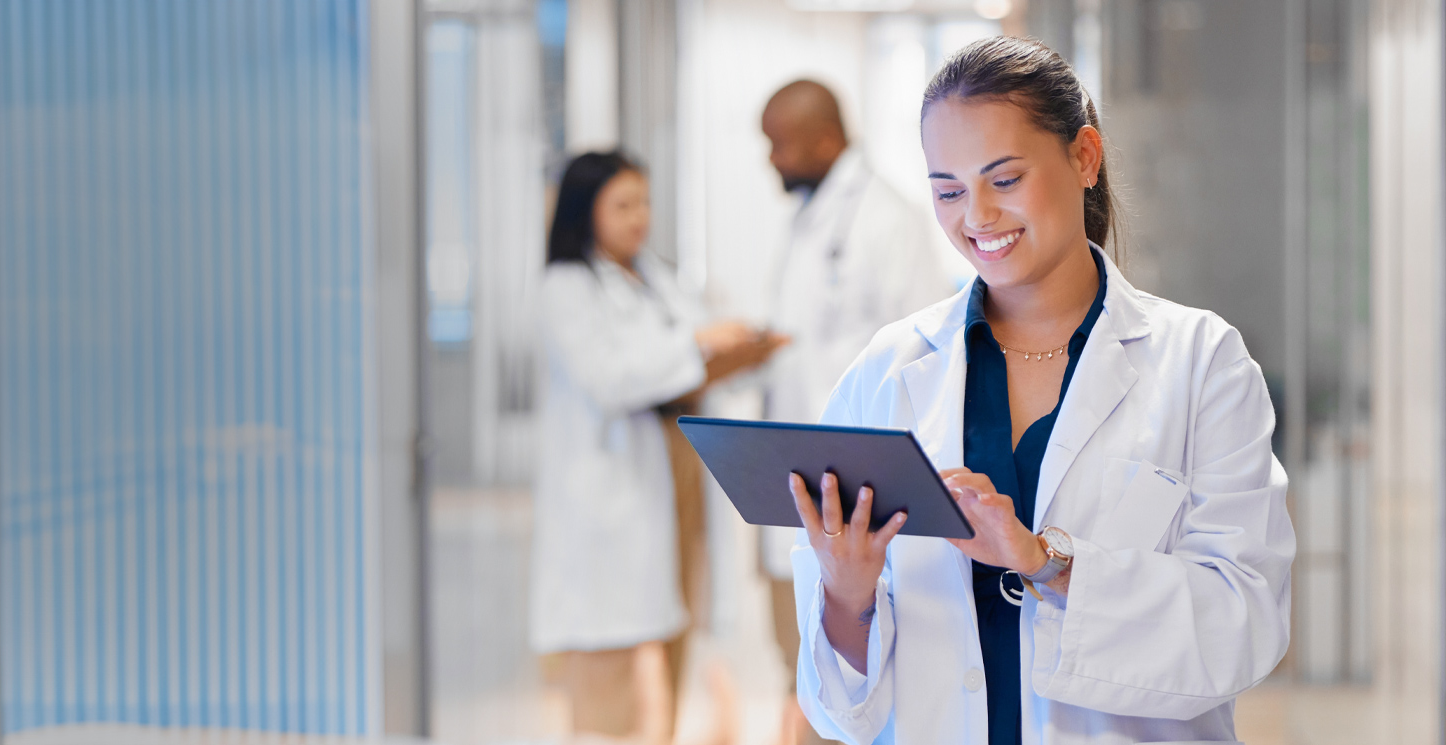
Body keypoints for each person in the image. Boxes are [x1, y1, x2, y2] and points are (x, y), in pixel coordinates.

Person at [785, 38, 1294, 744]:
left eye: (1005, 178)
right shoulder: (886, 372)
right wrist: (846, 593)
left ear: (1084, 157)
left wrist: (1046, 562)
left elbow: (1245, 620)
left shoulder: (1201, 361)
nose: (978, 216)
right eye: (949, 190)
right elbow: (837, 704)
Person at [531, 151, 787, 742]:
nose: (638, 218)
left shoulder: (653, 276)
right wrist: (700, 344)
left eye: (643, 202)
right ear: (584, 211)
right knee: (609, 649)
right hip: (613, 487)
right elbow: (610, 378)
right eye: (622, 205)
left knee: (672, 627)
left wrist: (742, 349)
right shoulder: (565, 287)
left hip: (676, 471)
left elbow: (690, 354)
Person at [756, 79, 971, 745]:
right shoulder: (812, 212)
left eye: (780, 144)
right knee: (806, 662)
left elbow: (926, 361)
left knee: (851, 684)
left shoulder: (889, 218)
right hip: (805, 479)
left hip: (864, 492)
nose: (771, 159)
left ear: (823, 140)